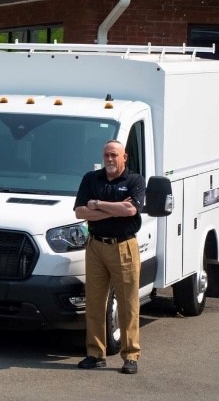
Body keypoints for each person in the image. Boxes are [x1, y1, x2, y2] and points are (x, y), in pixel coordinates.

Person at [73, 139, 147, 375]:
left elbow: (131, 210)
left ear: (125, 157)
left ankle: (131, 356)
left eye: (114, 155)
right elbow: (80, 212)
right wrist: (113, 210)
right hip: (95, 246)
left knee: (128, 304)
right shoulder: (90, 179)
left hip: (123, 247)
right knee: (94, 302)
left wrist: (98, 206)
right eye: (106, 155)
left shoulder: (135, 181)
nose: (110, 159)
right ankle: (95, 354)